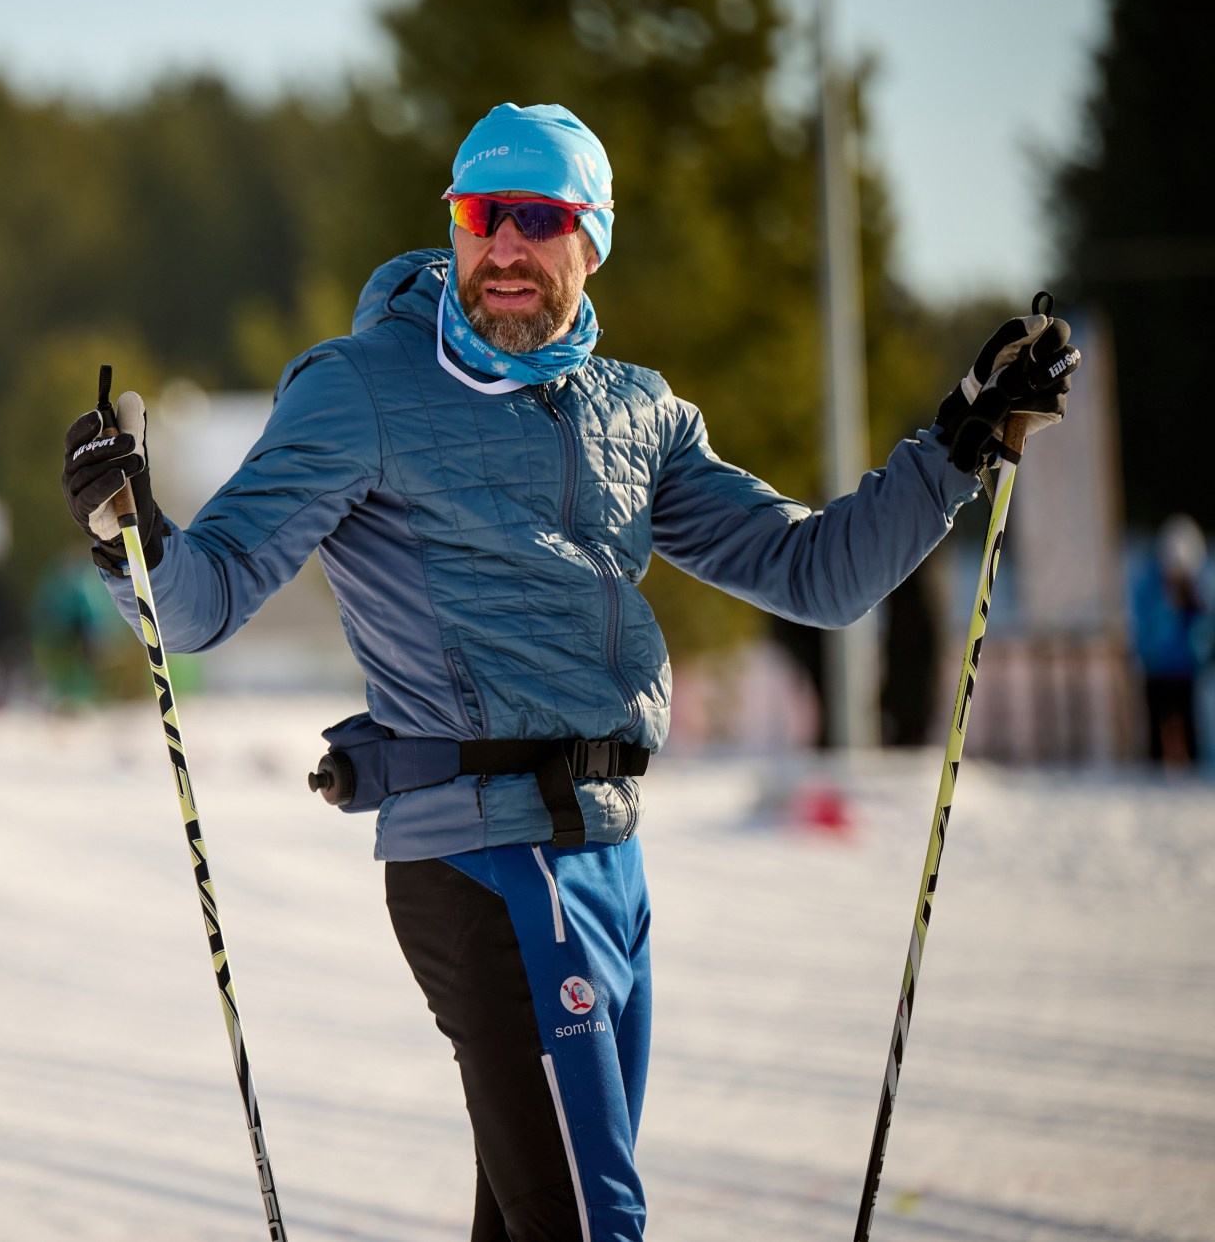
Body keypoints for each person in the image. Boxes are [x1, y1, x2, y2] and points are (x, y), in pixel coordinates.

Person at [59, 103, 1077, 1241]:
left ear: (589, 240)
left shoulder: (633, 412)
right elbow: (208, 595)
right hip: (480, 855)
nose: (500, 247)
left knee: (535, 1213)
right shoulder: (357, 391)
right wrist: (128, 534)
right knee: (593, 1220)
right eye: (479, 216)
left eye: (534, 220)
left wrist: (957, 447)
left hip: (606, 858)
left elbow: (816, 573)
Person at [1131, 514, 1208, 765]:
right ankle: (1155, 777)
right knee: (1156, 725)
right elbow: (1144, 626)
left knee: (1188, 723)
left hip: (1183, 669)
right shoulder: (1150, 589)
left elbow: (1202, 630)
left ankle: (1192, 771)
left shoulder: (1194, 594)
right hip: (1157, 669)